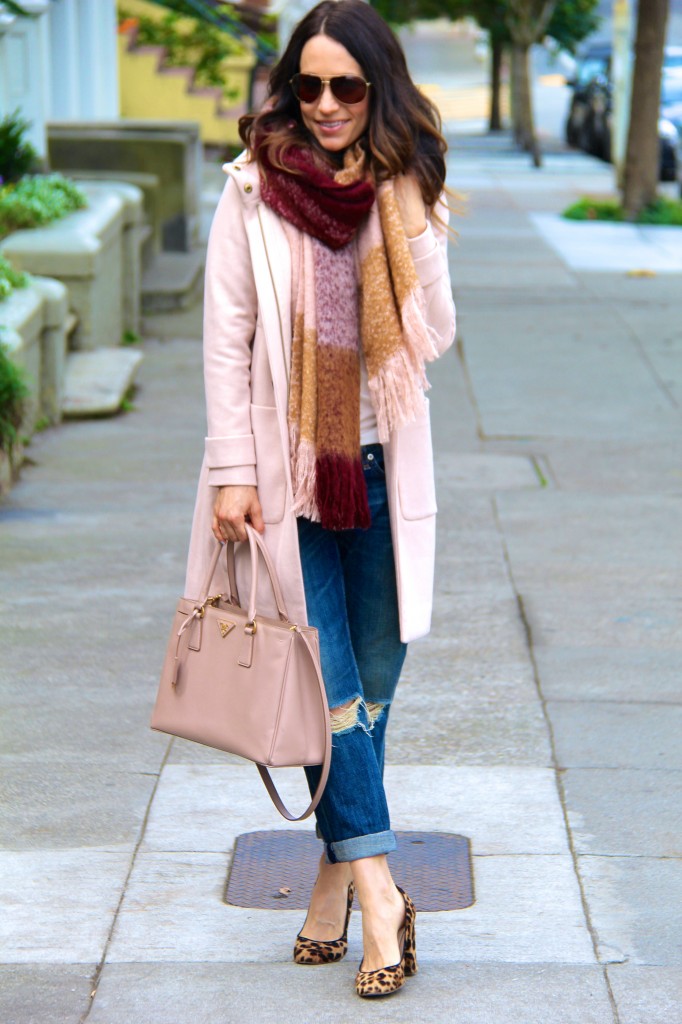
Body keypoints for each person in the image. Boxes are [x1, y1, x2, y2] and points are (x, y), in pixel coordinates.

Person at [184, 0, 455, 999]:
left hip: (384, 472)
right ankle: (384, 898)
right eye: (311, 85)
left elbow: (436, 331)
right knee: (327, 695)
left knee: (369, 698)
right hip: (287, 481)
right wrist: (231, 472)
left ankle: (330, 885)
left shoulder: (405, 186)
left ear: (376, 88)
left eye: (348, 85)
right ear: (289, 88)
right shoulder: (251, 189)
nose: (329, 104)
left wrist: (412, 217)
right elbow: (224, 339)